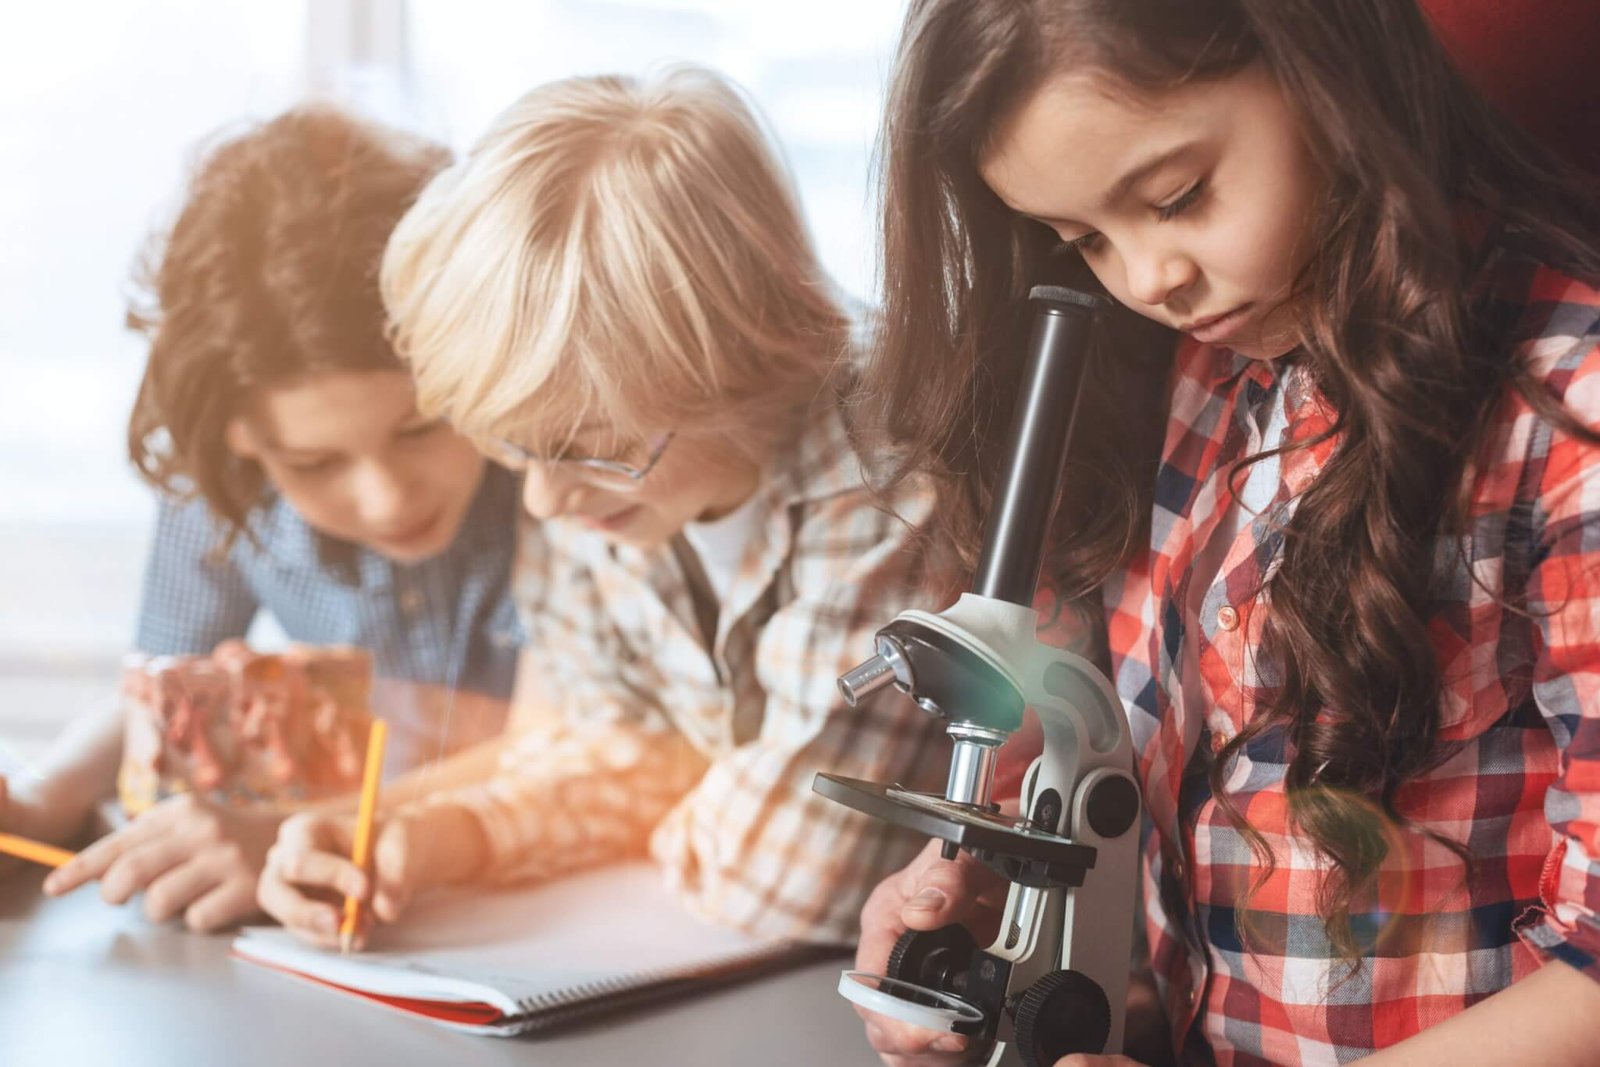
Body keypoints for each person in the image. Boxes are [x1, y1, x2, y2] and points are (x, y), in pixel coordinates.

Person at [852, 1, 1600, 1063]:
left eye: (1176, 196)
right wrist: (984, 926)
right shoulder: (1206, 371)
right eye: (1084, 239)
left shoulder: (1570, 405)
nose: (1146, 279)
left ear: (1322, 65)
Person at [255, 68, 948, 949]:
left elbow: (784, 881)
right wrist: (440, 838)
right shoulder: (598, 476)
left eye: (595, 449)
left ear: (735, 359)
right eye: (511, 450)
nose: (542, 500)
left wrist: (665, 786)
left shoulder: (887, 481)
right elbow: (607, 743)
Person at [2, 108, 523, 933]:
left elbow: (596, 744)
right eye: (313, 464)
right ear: (242, 444)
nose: (387, 498)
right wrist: (44, 794)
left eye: (422, 426)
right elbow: (171, 687)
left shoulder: (565, 469)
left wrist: (296, 829)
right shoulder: (223, 485)